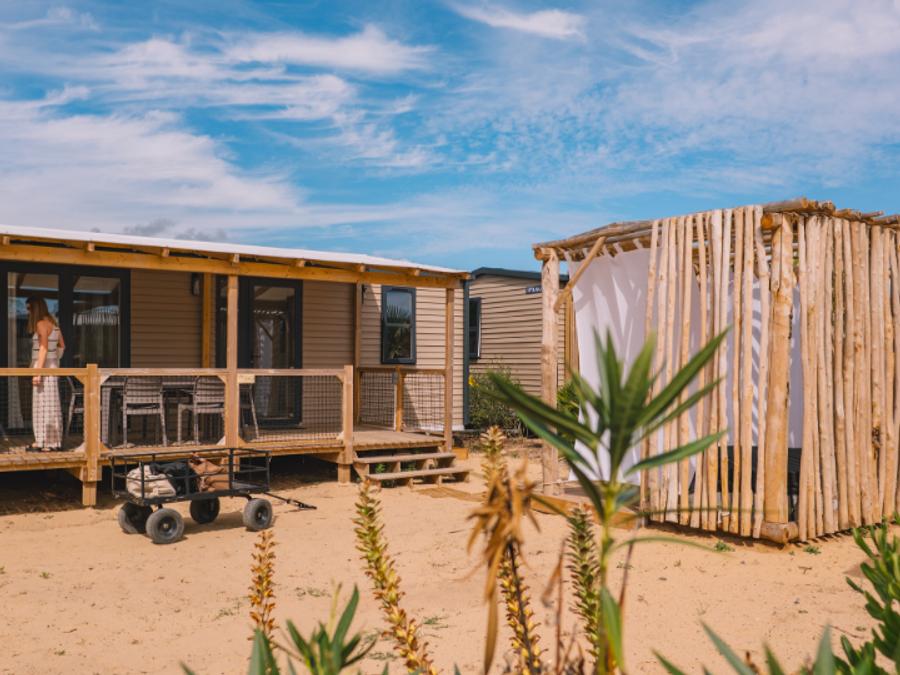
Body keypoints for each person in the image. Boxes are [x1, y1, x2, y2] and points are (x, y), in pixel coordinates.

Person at [27, 296, 65, 452]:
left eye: (29, 308)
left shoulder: (41, 324)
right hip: (51, 368)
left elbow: (43, 348)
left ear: (35, 308)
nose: (27, 311)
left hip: (42, 367)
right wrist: (54, 360)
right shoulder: (54, 325)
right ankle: (52, 441)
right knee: (51, 404)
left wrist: (38, 372)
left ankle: (43, 441)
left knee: (41, 405)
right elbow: (62, 346)